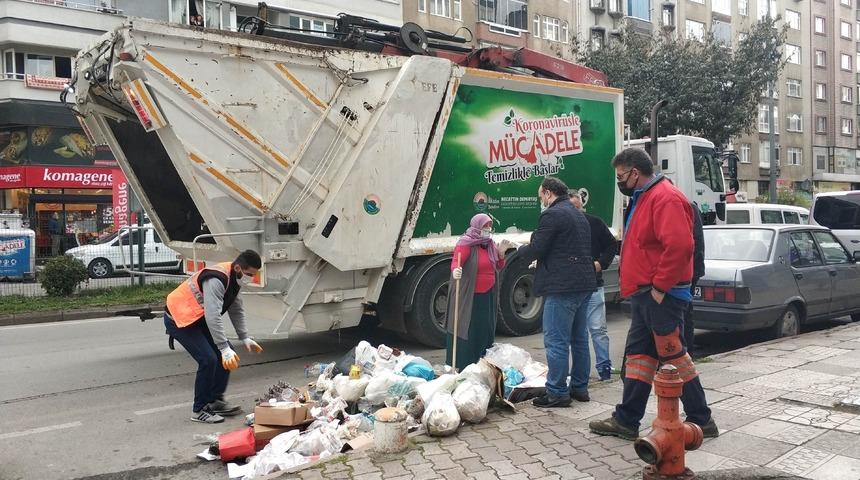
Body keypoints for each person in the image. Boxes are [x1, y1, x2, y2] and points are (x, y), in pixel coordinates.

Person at [589, 149, 718, 440]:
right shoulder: (648, 196)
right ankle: (627, 419)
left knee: (674, 357)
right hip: (647, 295)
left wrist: (660, 287)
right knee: (639, 357)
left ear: (635, 173)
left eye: (621, 176)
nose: (620, 182)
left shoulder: (664, 198)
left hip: (660, 296)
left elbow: (681, 247)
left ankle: (701, 418)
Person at [517, 177, 596, 407]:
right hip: (584, 284)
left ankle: (557, 392)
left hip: (562, 286)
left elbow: (538, 248)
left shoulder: (552, 214)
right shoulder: (578, 214)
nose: (540, 200)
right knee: (579, 339)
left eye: (541, 195)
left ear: (549, 193)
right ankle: (580, 388)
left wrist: (518, 249)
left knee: (556, 341)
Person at [164, 250, 264, 424]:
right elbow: (213, 316)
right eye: (249, 274)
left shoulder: (235, 278)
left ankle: (215, 401)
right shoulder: (217, 279)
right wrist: (222, 347)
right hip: (180, 317)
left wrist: (244, 337)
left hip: (197, 318)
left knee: (227, 353)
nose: (250, 278)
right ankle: (199, 410)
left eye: (253, 275)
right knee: (209, 359)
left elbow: (236, 308)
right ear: (239, 267)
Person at [447, 213, 511, 371]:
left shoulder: (489, 244)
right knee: (468, 327)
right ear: (477, 226)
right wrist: (456, 270)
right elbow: (456, 261)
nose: (488, 229)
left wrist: (501, 253)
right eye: (485, 226)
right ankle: (464, 364)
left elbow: (498, 266)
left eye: (490, 225)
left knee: (484, 327)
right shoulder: (466, 243)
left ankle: (482, 363)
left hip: (487, 295)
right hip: (469, 295)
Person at [570, 191, 618, 381]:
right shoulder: (562, 226)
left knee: (598, 330)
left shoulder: (595, 223)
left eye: (577, 206)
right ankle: (576, 374)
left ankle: (604, 369)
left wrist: (600, 263)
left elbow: (611, 245)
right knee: (575, 333)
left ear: (582, 206)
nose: (574, 210)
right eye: (570, 207)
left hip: (593, 286)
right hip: (570, 288)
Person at [687, 202, 705, 354]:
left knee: (684, 315)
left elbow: (696, 242)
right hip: (690, 270)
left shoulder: (687, 207)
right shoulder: (690, 206)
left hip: (687, 273)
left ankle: (686, 355)